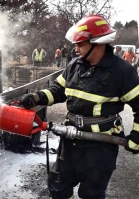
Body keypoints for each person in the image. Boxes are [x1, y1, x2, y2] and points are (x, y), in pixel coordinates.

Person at [20, 14, 139, 199]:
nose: (76, 49)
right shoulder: (75, 66)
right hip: (70, 142)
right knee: (58, 188)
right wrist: (37, 97)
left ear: (97, 43)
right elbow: (57, 90)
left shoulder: (122, 72)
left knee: (91, 194)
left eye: (80, 44)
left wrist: (137, 136)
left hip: (99, 147)